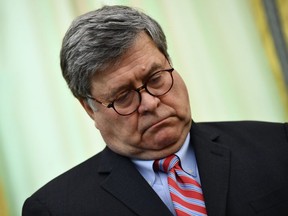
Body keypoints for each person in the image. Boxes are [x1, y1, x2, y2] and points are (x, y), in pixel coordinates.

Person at [22, 5, 288, 216]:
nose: (150, 103)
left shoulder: (277, 146)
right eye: (123, 96)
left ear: (170, 63)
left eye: (156, 78)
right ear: (90, 109)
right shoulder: (56, 208)